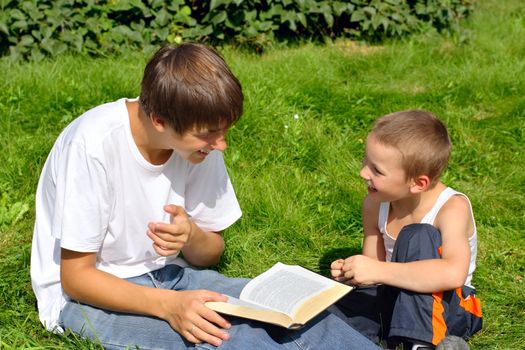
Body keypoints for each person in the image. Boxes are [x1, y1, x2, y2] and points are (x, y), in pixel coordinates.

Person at [30, 42, 378, 350]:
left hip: (172, 276)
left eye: (224, 132)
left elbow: (210, 253)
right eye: (210, 135)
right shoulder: (92, 145)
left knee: (300, 314)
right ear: (160, 121)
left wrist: (192, 236)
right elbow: (76, 279)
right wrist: (168, 306)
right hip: (88, 299)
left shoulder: (199, 145)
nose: (221, 145)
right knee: (236, 338)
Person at [329, 110, 482, 349]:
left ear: (417, 183)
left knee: (417, 235)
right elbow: (374, 270)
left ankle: (420, 344)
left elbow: (453, 274)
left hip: (450, 305)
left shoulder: (452, 208)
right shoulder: (374, 203)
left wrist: (378, 270)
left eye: (377, 170)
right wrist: (354, 272)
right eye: (365, 160)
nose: (363, 173)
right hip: (397, 294)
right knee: (329, 306)